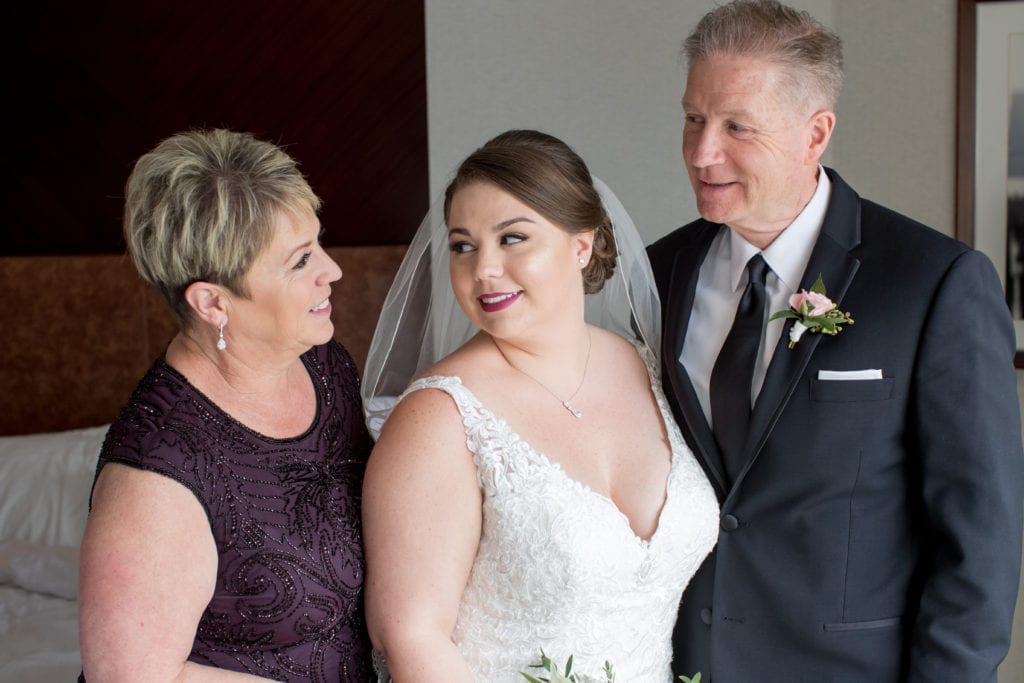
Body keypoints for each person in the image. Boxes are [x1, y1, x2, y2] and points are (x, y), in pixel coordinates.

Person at [647, 1, 1024, 681]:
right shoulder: (658, 274)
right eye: (693, 118)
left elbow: (981, 540)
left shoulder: (935, 282)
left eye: (737, 126)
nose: (702, 153)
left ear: (814, 134)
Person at [359, 129, 718, 682]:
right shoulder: (439, 415)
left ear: (581, 245)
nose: (483, 270)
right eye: (463, 245)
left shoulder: (644, 365)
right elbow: (411, 635)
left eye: (512, 239)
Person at [78, 129, 374, 682]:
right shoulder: (155, 475)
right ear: (212, 301)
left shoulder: (324, 364)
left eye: (319, 242)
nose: (331, 270)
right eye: (300, 261)